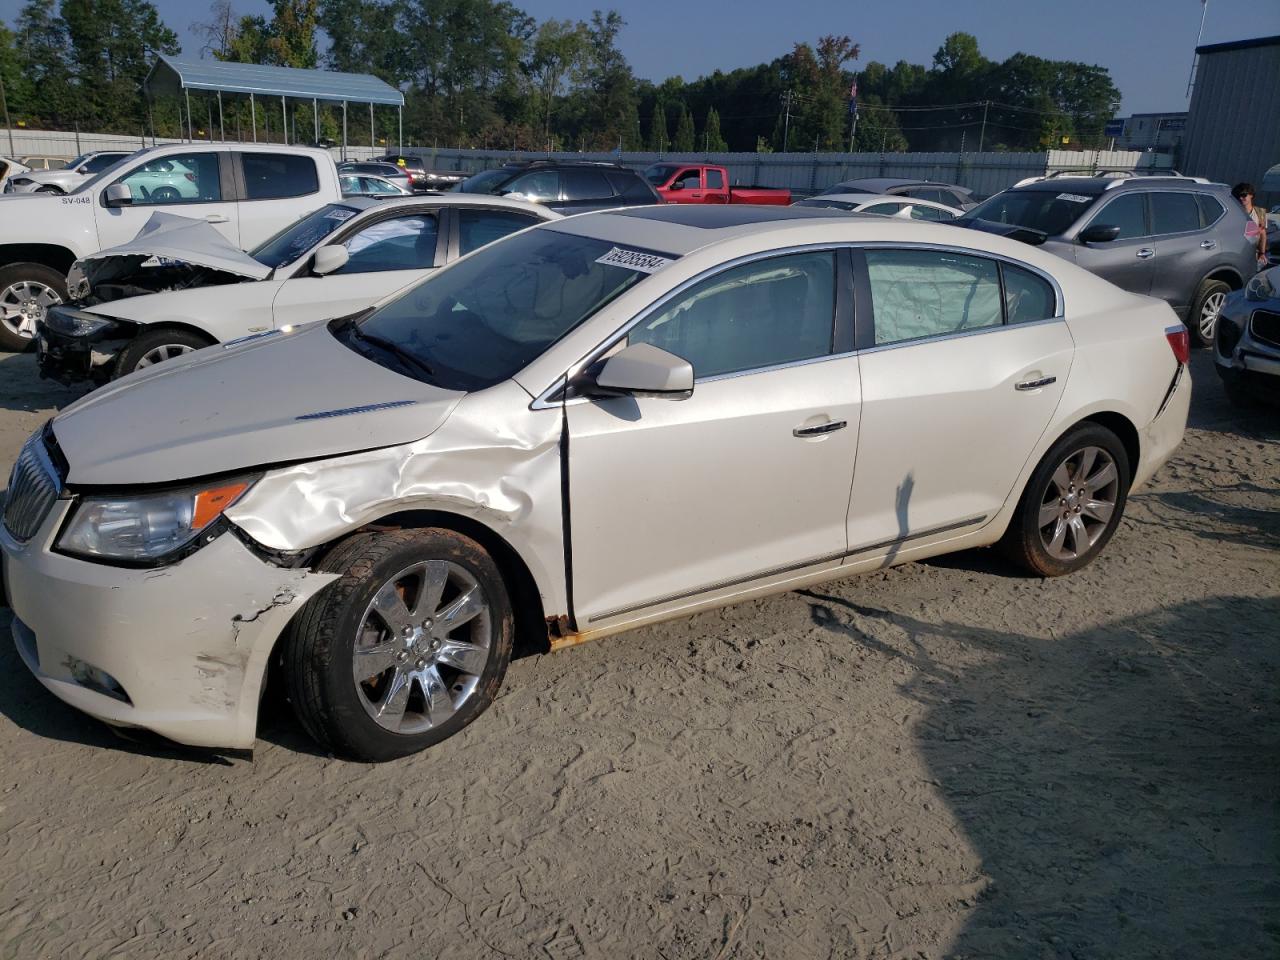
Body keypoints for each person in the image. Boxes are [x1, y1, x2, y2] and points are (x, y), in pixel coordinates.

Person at [1232, 182, 1268, 270]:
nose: (1241, 198)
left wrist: (1262, 253)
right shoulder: (1232, 212)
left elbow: (1263, 234)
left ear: (1251, 195)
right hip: (1235, 252)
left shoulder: (1260, 213)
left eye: (1244, 195)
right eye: (1238, 196)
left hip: (1252, 254)